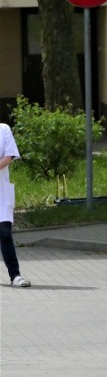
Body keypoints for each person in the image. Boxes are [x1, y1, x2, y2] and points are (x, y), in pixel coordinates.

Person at [0, 123, 30, 288]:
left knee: (5, 234)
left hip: (1, 194)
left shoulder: (3, 129)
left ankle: (15, 276)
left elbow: (10, 155)